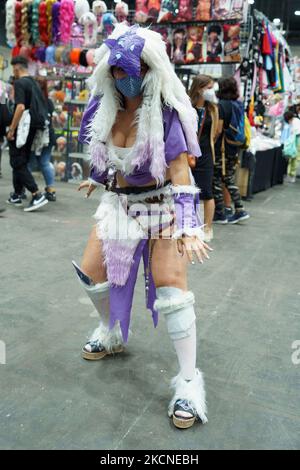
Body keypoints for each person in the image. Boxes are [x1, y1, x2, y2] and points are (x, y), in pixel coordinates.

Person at [74, 24, 213, 430]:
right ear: (108, 71)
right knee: (91, 275)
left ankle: (189, 382)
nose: (125, 77)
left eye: (132, 69)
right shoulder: (101, 105)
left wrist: (189, 226)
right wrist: (97, 179)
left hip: (163, 203)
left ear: (152, 69)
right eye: (117, 69)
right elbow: (102, 152)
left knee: (171, 287)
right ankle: (110, 331)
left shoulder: (166, 112)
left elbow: (179, 172)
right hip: (118, 203)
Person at [6, 56, 48, 212]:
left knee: (17, 161)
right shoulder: (33, 82)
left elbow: (20, 107)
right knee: (21, 159)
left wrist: (11, 129)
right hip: (33, 126)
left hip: (22, 127)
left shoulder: (20, 83)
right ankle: (17, 194)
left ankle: (36, 194)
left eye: (13, 69)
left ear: (17, 68)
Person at [213, 77, 250, 224]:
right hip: (233, 146)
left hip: (221, 147)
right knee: (228, 177)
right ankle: (238, 209)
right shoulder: (238, 104)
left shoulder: (222, 105)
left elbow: (218, 130)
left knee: (216, 178)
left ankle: (221, 212)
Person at [189, 74, 219, 242]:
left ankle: (208, 227)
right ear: (199, 88)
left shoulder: (213, 109)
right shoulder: (187, 105)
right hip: (186, 153)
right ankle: (190, 225)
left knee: (206, 192)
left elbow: (216, 132)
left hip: (206, 154)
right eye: (208, 88)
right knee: (187, 190)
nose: (211, 91)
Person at [28, 77, 56, 201]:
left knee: (28, 163)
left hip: (36, 136)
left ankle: (28, 189)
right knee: (45, 162)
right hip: (48, 136)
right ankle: (50, 189)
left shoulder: (33, 101)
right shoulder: (48, 102)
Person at [283, 110, 300, 183]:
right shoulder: (296, 121)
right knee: (293, 159)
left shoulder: (295, 122)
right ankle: (291, 175)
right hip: (295, 142)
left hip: (296, 142)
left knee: (294, 159)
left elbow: (295, 133)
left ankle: (292, 176)